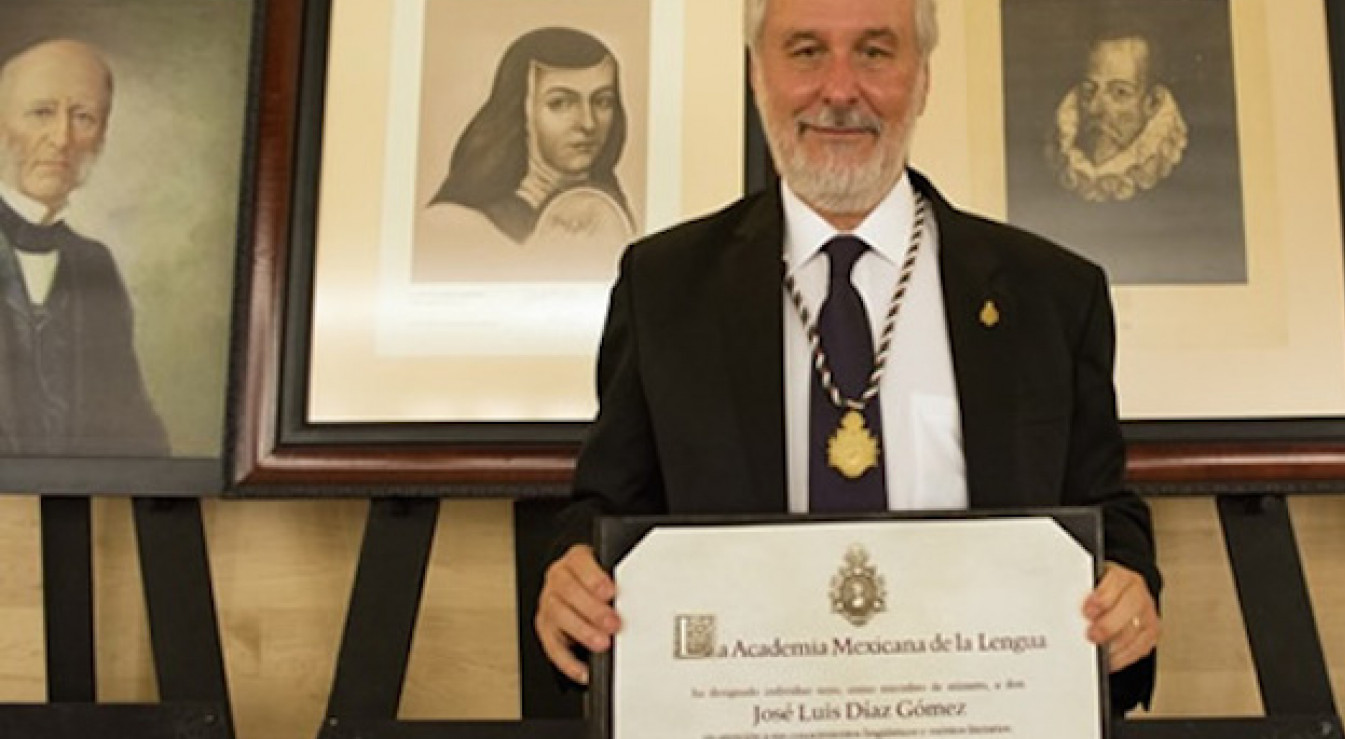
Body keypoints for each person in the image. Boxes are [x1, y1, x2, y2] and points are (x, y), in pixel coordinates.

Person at [535, 0, 1162, 713]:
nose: (839, 91)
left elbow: (1105, 511)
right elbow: (606, 510)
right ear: (756, 75)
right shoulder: (664, 289)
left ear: (921, 78)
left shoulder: (1053, 294)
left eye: (874, 52)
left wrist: (1130, 581)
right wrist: (573, 572)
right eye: (805, 51)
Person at [0, 39, 167, 457]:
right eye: (41, 112)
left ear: (103, 137)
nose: (62, 138)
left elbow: (130, 420)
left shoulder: (96, 265)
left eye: (83, 117)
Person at [420, 27, 634, 281]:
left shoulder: (614, 216)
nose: (588, 123)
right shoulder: (457, 224)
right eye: (560, 103)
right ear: (522, 111)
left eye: (602, 102)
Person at [1048, 34, 1188, 203]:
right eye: (1088, 91)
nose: (1094, 109)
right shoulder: (1062, 160)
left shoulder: (1183, 184)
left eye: (1120, 92)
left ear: (1153, 102)